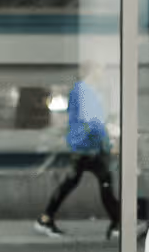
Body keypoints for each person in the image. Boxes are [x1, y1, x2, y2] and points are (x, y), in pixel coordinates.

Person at [35, 60, 120, 239]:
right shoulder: (86, 92)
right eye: (100, 69)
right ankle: (116, 224)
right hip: (88, 148)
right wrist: (108, 144)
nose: (102, 74)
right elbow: (94, 123)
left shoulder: (79, 90)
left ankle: (45, 218)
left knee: (72, 183)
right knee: (104, 182)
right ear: (92, 71)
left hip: (82, 146)